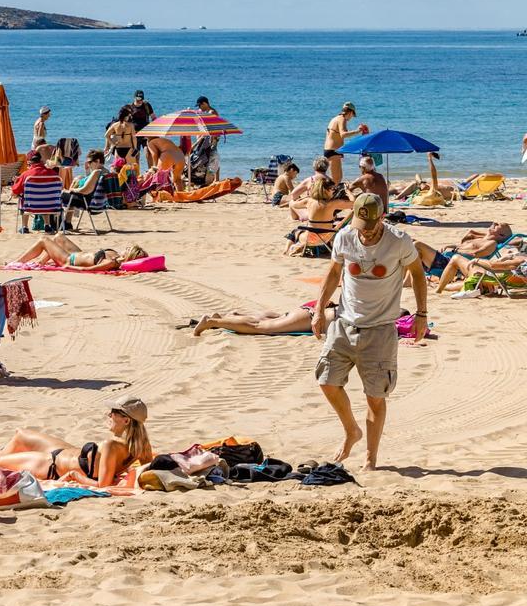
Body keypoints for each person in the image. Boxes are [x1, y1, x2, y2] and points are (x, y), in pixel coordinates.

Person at [311, 193, 428, 471]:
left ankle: (370, 459)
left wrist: (421, 314)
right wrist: (318, 309)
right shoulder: (345, 237)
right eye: (362, 226)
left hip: (380, 330)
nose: (367, 232)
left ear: (382, 218)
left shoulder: (399, 241)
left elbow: (418, 273)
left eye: (372, 226)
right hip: (344, 323)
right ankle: (352, 430)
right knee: (326, 381)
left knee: (375, 396)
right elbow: (333, 272)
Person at [0, 396, 153, 488]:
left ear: (126, 420)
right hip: (68, 453)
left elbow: (103, 485)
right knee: (21, 434)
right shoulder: (141, 445)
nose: (109, 414)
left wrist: (76, 476)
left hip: (51, 465)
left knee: (1, 463)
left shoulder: (110, 445)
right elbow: (148, 464)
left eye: (113, 412)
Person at [413, 222, 514, 277]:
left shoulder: (491, 244)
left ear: (501, 235)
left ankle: (408, 281)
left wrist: (455, 250)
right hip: (443, 259)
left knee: (417, 245)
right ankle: (408, 281)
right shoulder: (480, 239)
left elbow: (476, 254)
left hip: (447, 265)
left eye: (498, 225)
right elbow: (467, 236)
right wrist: (453, 246)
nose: (494, 223)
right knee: (410, 244)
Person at [192, 299, 338, 336]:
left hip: (310, 313)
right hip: (309, 317)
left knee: (268, 321)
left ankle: (225, 319)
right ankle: (211, 322)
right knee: (260, 327)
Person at [12, 231, 144, 271]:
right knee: (58, 237)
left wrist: (66, 267)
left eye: (128, 249)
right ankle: (40, 262)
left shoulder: (112, 262)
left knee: (43, 240)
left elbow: (87, 270)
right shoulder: (114, 256)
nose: (126, 248)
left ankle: (16, 263)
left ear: (129, 256)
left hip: (70, 259)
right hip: (76, 253)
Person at [11, 149, 62, 232]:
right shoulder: (53, 174)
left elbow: (14, 192)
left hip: (31, 207)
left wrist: (15, 182)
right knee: (45, 197)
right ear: (40, 160)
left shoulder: (26, 174)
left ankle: (25, 227)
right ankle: (47, 225)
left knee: (22, 198)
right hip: (50, 206)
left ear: (29, 162)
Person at [61, 150, 107, 228]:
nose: (88, 165)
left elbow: (85, 190)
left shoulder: (96, 172)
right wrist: (87, 171)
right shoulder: (105, 172)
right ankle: (67, 223)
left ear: (98, 161)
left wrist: (71, 190)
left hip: (88, 203)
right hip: (101, 204)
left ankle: (59, 222)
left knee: (60, 194)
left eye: (89, 162)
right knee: (71, 191)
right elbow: (92, 187)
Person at [323, 101, 363, 185]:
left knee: (334, 178)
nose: (352, 117)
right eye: (353, 115)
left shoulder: (335, 118)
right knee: (337, 178)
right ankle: (330, 193)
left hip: (328, 150)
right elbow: (343, 134)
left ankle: (327, 191)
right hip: (334, 150)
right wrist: (357, 131)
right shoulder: (342, 119)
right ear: (351, 112)